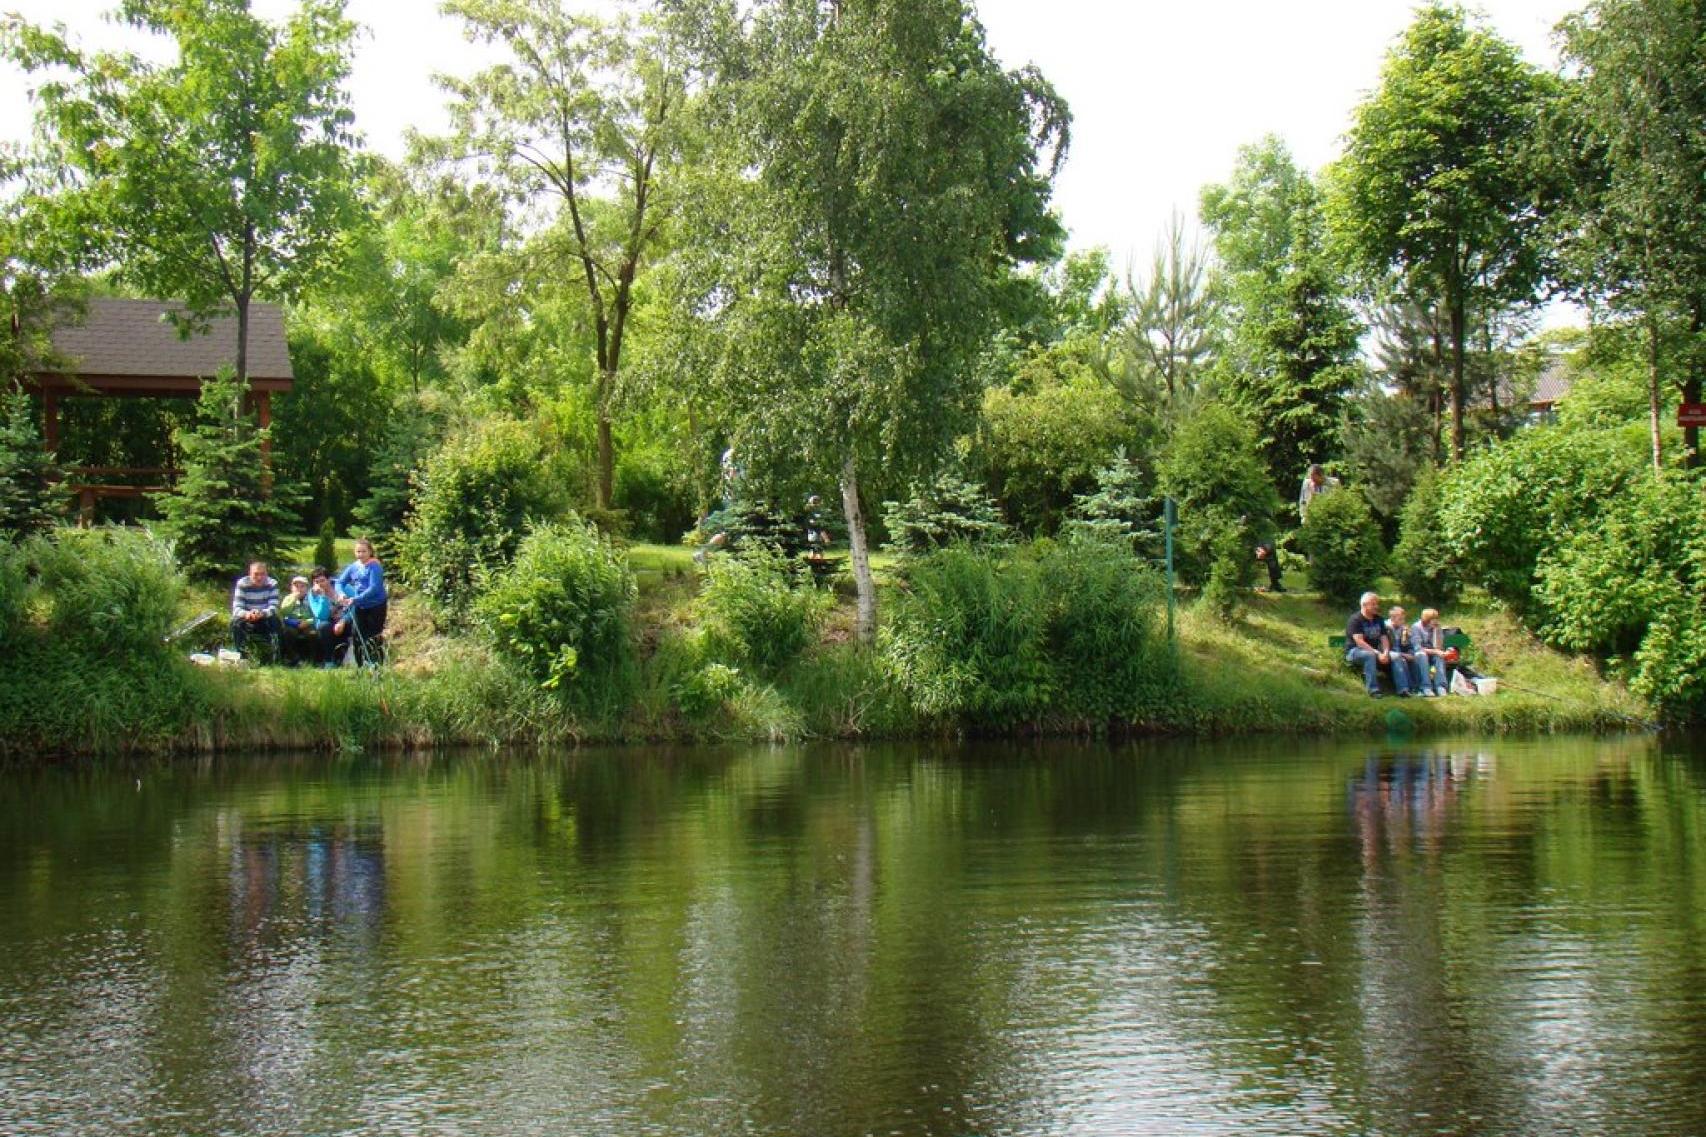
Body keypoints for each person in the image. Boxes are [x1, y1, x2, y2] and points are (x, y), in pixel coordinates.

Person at [334, 538, 388, 664]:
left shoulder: (375, 566)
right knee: (357, 635)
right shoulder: (354, 567)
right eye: (358, 552)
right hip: (359, 605)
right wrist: (341, 594)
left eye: (363, 551)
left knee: (373, 636)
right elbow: (340, 582)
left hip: (376, 606)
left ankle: (376, 665)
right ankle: (360, 666)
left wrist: (356, 599)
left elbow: (374, 588)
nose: (361, 554)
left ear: (370, 552)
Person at [1346, 590, 1408, 698]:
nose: (1376, 606)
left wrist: (1385, 652)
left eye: (1377, 603)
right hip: (1355, 651)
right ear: (1364, 605)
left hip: (1376, 651)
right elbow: (1360, 642)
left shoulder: (1379, 619)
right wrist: (1377, 653)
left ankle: (1403, 689)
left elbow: (1384, 638)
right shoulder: (1355, 619)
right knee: (1369, 655)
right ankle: (1373, 690)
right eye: (1373, 604)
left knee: (1396, 656)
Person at [230, 560, 282, 660]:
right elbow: (236, 608)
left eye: (262, 574)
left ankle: (276, 656)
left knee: (276, 621)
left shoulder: (272, 583)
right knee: (235, 623)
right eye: (256, 574)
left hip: (264, 616)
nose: (259, 577)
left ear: (266, 574)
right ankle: (241, 656)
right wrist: (247, 614)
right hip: (247, 616)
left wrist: (262, 613)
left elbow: (274, 607)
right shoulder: (242, 583)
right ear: (249, 574)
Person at [1386, 605, 1428, 697]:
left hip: (1401, 653)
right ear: (1392, 618)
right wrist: (1404, 655)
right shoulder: (1386, 628)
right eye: (1400, 619)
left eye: (1403, 619)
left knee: (1416, 658)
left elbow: (1408, 645)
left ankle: (1418, 688)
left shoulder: (1402, 629)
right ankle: (1404, 689)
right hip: (1388, 653)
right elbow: (1385, 648)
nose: (1403, 621)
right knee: (1402, 660)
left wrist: (1410, 652)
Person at [1411, 607, 1453, 697]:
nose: (1435, 621)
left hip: (1433, 653)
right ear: (1426, 619)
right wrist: (1435, 651)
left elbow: (1438, 647)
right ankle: (1426, 687)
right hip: (1420, 653)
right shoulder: (1416, 627)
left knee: (1439, 656)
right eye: (1433, 619)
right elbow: (1417, 648)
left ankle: (1440, 686)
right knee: (1422, 655)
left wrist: (1436, 631)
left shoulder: (1436, 627)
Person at [278, 575, 318, 666]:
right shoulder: (288, 598)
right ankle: (293, 658)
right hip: (292, 623)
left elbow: (316, 614)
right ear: (292, 588)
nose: (299, 589)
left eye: (302, 586)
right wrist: (293, 599)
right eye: (296, 586)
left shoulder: (311, 599)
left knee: (313, 634)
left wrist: (307, 622)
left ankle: (312, 660)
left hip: (308, 623)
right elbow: (284, 613)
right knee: (288, 633)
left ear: (307, 588)